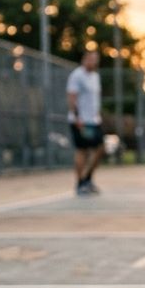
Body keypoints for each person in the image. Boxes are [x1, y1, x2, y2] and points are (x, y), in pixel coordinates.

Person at [66, 50, 104, 195]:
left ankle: (87, 178)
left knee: (99, 149)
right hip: (81, 121)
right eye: (90, 59)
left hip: (94, 121)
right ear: (84, 59)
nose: (93, 62)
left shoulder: (95, 76)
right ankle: (80, 183)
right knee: (82, 150)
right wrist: (77, 118)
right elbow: (72, 97)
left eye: (95, 59)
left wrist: (97, 115)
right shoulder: (77, 75)